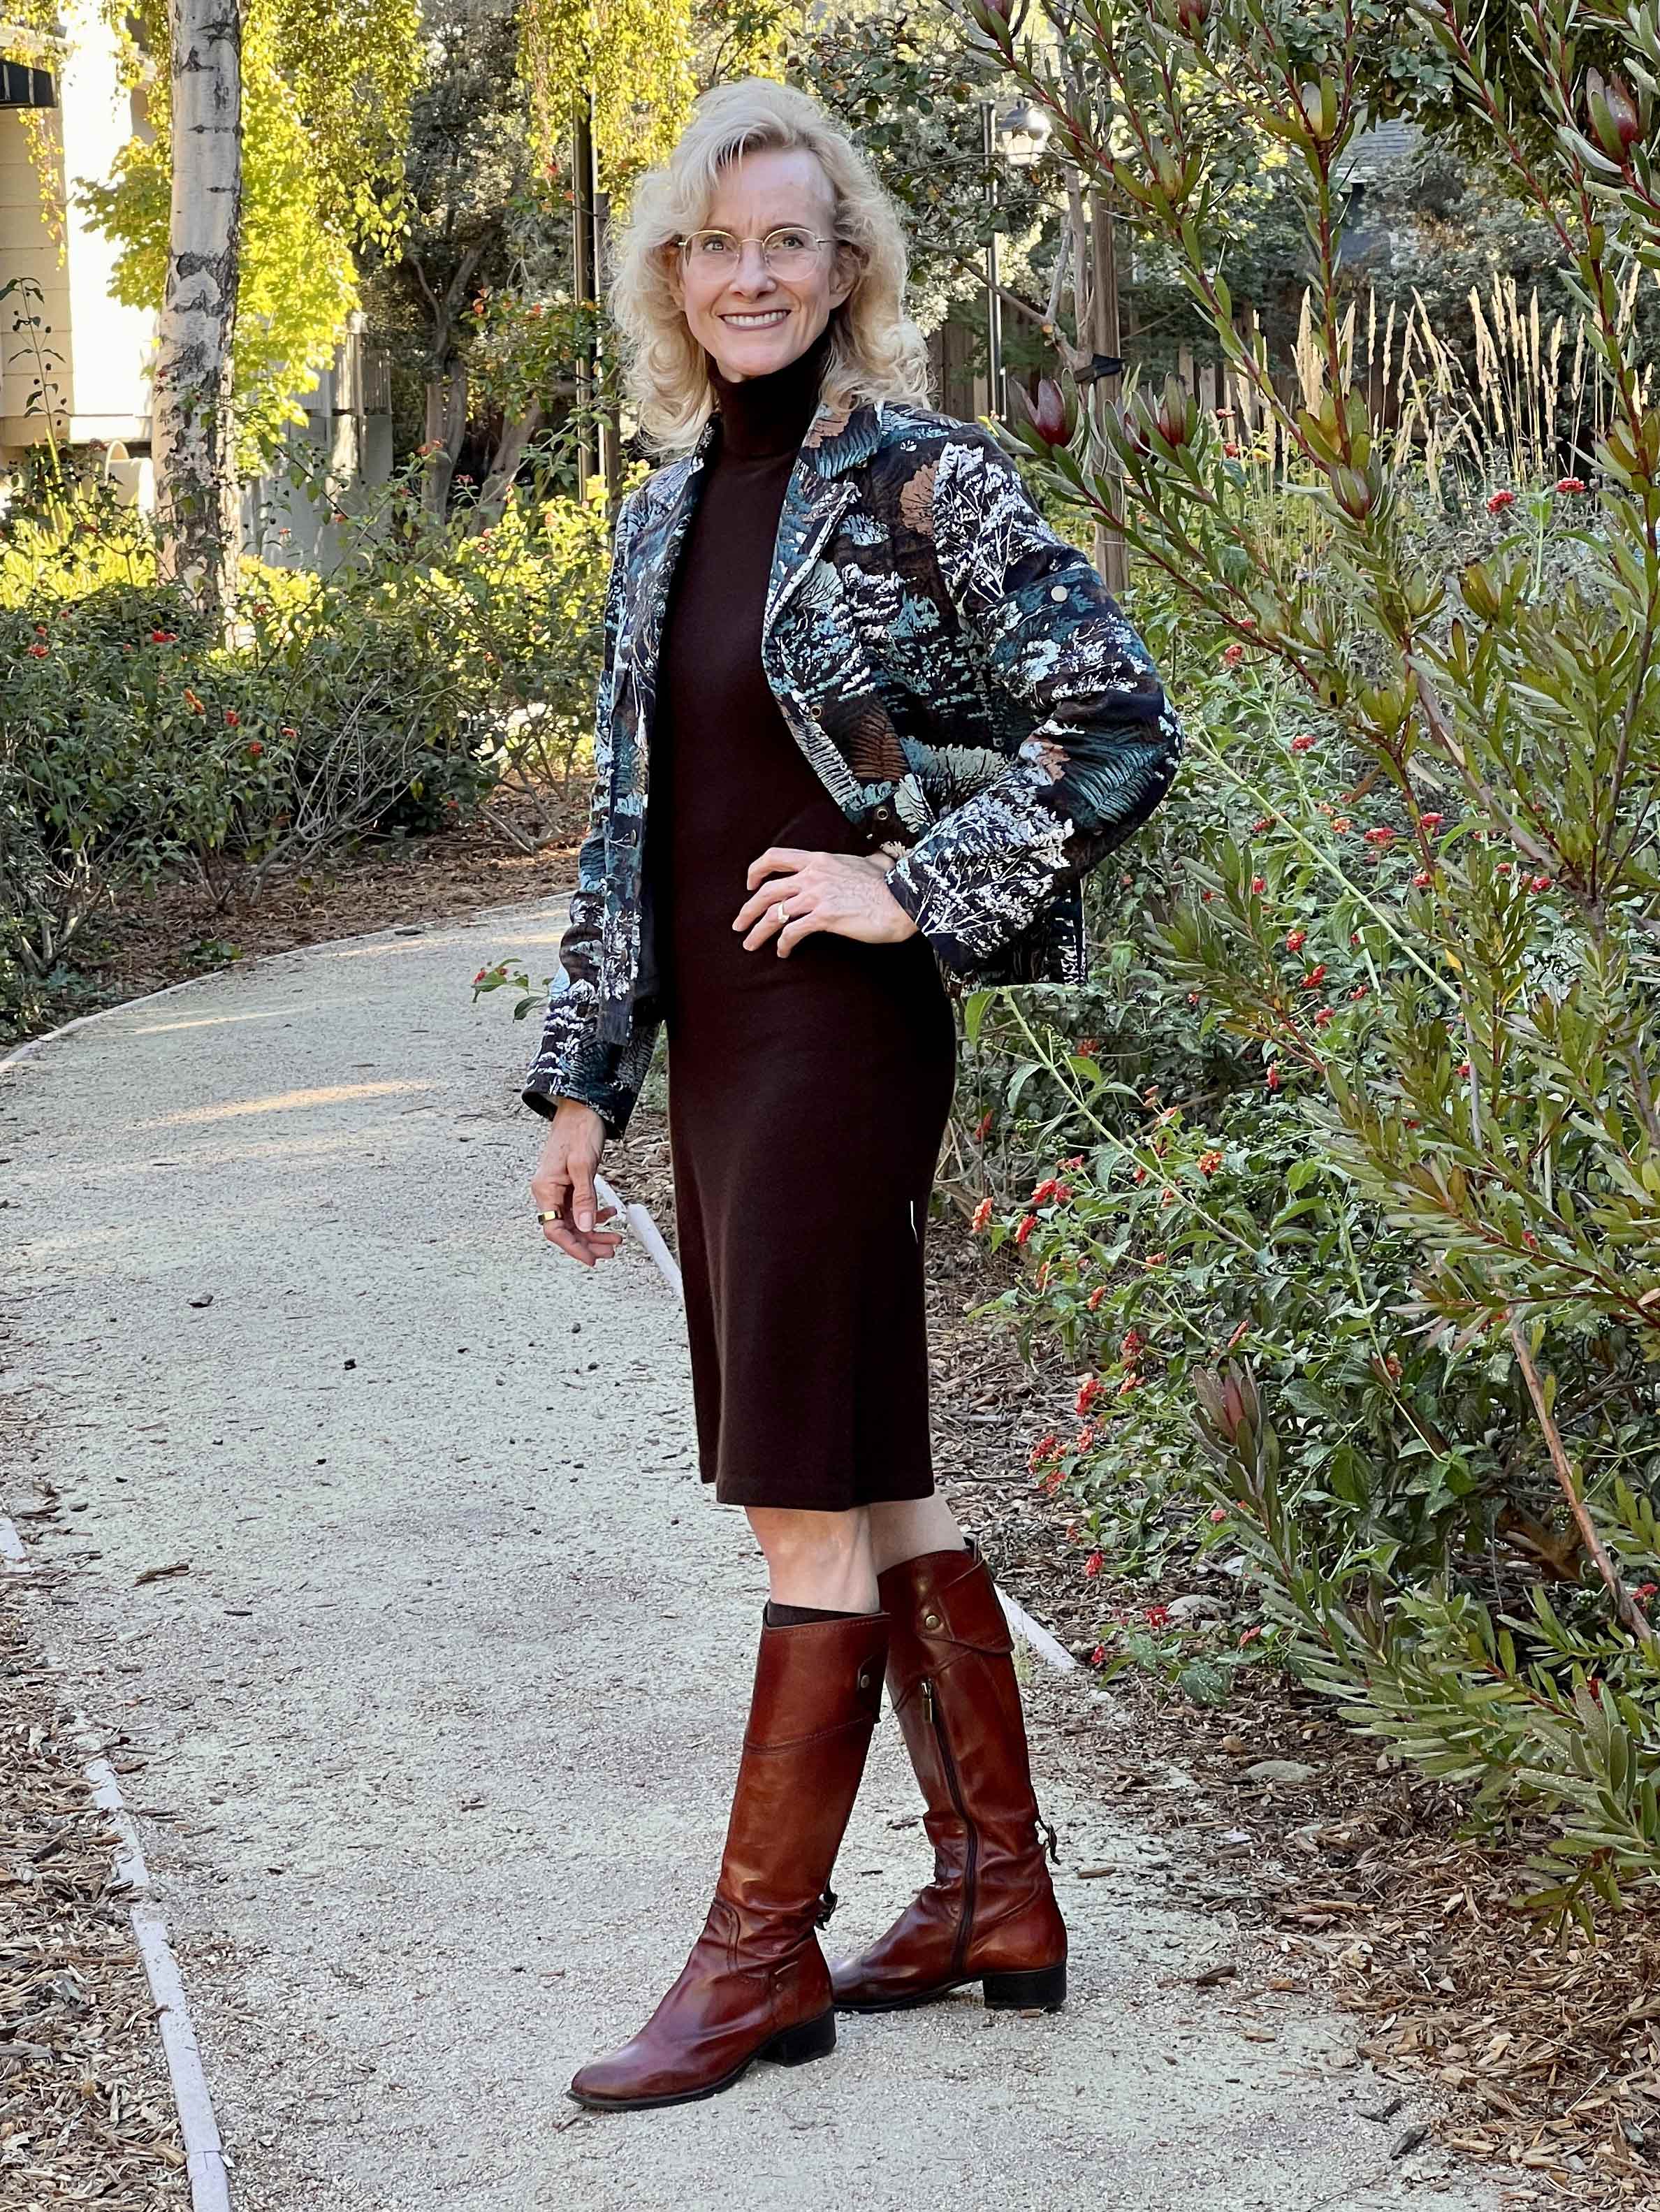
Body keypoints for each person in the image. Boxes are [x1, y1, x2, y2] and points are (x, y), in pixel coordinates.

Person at [523, 76, 1182, 2113]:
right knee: (872, 1472)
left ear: (847, 268)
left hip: (840, 1038)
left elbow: (1118, 726)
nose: (752, 276)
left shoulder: (925, 482)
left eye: (788, 242)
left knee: (796, 1492)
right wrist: (584, 1083)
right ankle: (995, 1892)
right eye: (717, 245)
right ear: (673, 274)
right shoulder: (661, 514)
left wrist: (910, 883)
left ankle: (756, 1960)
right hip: (722, 1052)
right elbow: (636, 821)